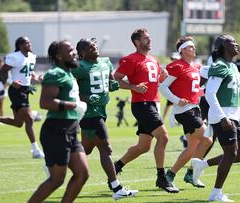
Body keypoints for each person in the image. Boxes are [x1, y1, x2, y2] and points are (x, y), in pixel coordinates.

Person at [113, 28, 178, 193]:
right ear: (137, 42)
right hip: (142, 105)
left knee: (143, 146)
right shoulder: (130, 59)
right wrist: (134, 87)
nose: (150, 40)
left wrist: (161, 77)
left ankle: (116, 166)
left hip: (153, 103)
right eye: (146, 38)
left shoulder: (154, 59)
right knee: (163, 137)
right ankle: (161, 177)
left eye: (149, 37)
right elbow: (117, 79)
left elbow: (154, 80)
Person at [72, 38, 138, 200]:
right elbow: (69, 88)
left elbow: (109, 82)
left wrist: (113, 85)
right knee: (106, 148)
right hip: (89, 113)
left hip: (101, 111)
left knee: (85, 149)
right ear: (82, 53)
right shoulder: (80, 67)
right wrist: (85, 97)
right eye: (89, 46)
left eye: (94, 44)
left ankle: (53, 161)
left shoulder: (105, 62)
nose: (94, 47)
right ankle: (116, 188)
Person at [28, 40, 89, 203]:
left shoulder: (68, 73)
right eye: (70, 50)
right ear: (58, 55)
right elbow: (45, 102)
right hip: (56, 130)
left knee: (82, 173)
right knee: (56, 179)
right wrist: (74, 105)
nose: (74, 53)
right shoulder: (55, 73)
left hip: (71, 129)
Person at [196, 34, 240, 202]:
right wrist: (222, 117)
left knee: (239, 155)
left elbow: (233, 99)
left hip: (232, 115)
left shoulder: (233, 67)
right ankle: (216, 193)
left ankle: (201, 165)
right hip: (222, 117)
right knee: (230, 153)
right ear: (222, 47)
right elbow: (209, 93)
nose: (236, 44)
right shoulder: (220, 65)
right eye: (231, 41)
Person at [159, 36, 212, 189]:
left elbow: (195, 92)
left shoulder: (196, 66)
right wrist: (176, 100)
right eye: (190, 47)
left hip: (195, 108)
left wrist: (209, 91)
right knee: (207, 139)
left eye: (193, 47)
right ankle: (191, 173)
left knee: (192, 148)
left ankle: (170, 175)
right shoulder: (176, 66)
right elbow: (162, 87)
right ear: (181, 50)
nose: (193, 49)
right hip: (185, 110)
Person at [0, 36, 44, 158]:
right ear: (21, 45)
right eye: (27, 43)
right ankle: (35, 151)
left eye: (30, 42)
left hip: (25, 90)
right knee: (30, 119)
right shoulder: (15, 57)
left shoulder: (32, 56)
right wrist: (11, 81)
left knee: (18, 123)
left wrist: (36, 77)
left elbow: (28, 71)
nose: (30, 44)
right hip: (16, 91)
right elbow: (2, 72)